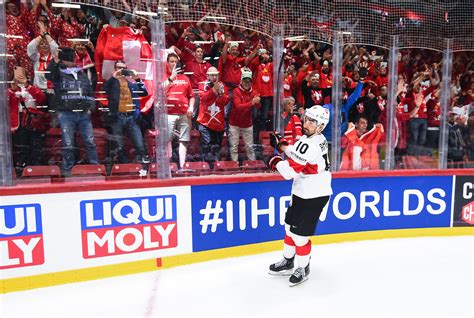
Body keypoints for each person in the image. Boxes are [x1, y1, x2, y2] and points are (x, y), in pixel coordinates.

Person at [267, 105, 332, 287]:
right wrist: (283, 146)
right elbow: (298, 152)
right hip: (303, 192)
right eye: (307, 118)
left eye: (313, 121)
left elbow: (288, 172)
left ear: (320, 126)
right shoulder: (313, 138)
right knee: (289, 228)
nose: (307, 123)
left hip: (313, 196)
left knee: (300, 236)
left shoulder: (310, 143)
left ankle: (303, 268)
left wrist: (275, 162)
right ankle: (288, 261)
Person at [45, 47, 98, 175]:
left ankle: (95, 167)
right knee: (68, 143)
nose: (73, 61)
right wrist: (55, 60)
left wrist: (90, 107)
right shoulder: (59, 71)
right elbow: (49, 75)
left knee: (89, 142)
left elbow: (89, 91)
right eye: (71, 58)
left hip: (83, 112)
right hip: (66, 113)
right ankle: (68, 168)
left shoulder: (81, 73)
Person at [103, 61, 149, 163]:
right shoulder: (112, 83)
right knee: (119, 146)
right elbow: (104, 90)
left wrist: (137, 79)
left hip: (131, 117)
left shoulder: (131, 84)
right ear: (115, 69)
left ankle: (142, 163)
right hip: (117, 116)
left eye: (123, 68)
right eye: (118, 68)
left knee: (139, 143)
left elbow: (144, 92)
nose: (121, 70)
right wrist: (113, 78)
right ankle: (123, 165)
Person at [164, 53, 195, 169]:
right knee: (167, 139)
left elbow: (191, 96)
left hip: (184, 113)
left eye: (175, 62)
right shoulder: (164, 76)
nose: (174, 64)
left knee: (184, 139)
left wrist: (191, 107)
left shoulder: (185, 78)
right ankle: (168, 165)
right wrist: (171, 77)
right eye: (171, 61)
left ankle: (182, 165)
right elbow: (160, 90)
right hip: (169, 113)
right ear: (167, 63)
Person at [196, 67, 230, 165]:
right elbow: (204, 99)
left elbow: (224, 102)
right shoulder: (202, 85)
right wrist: (214, 90)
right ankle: (206, 166)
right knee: (207, 146)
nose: (214, 77)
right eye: (212, 75)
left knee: (217, 147)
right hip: (205, 122)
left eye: (216, 75)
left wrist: (220, 93)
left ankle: (216, 166)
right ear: (207, 76)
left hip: (218, 123)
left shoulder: (223, 86)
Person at [228, 68, 261, 162]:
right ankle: (234, 165)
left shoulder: (254, 92)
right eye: (245, 81)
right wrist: (252, 102)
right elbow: (238, 107)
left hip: (247, 124)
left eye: (249, 81)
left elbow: (259, 107)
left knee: (250, 147)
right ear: (241, 81)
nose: (247, 83)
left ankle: (253, 165)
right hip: (234, 123)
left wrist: (258, 102)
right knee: (234, 147)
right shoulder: (236, 91)